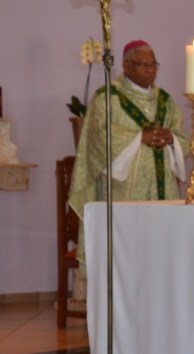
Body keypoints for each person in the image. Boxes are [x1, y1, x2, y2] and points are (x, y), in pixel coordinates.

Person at [69, 40, 187, 274]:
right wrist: (139, 137)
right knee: (126, 259)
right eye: (144, 65)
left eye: (154, 65)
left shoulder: (164, 100)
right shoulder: (107, 98)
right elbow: (97, 138)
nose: (151, 70)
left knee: (161, 256)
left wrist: (171, 137)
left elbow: (185, 138)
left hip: (163, 191)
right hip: (122, 191)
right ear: (126, 66)